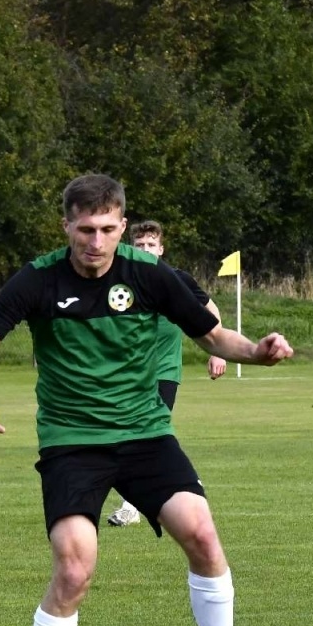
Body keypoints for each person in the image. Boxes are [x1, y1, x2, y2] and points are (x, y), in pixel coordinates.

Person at [0, 174, 293, 626]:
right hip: (72, 443)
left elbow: (213, 338)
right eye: (85, 229)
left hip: (144, 436)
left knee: (203, 534)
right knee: (75, 567)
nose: (96, 241)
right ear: (67, 227)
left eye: (108, 229)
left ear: (123, 227)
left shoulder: (149, 273)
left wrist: (257, 352)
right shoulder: (38, 279)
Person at [106, 220, 228, 527]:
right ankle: (176, 490)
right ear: (129, 247)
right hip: (124, 373)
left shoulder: (176, 279)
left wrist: (217, 350)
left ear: (161, 249)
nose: (145, 250)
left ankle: (148, 500)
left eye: (151, 245)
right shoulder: (117, 280)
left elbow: (211, 312)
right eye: (140, 245)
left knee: (150, 431)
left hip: (163, 372)